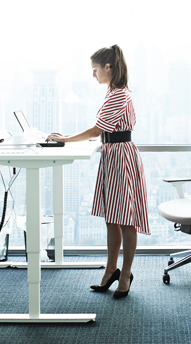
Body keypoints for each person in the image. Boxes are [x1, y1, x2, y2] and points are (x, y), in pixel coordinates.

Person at [47, 44, 150, 299]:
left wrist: (66, 139)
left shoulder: (118, 95)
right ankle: (110, 270)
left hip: (120, 157)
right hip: (113, 155)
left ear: (108, 67)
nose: (93, 75)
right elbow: (103, 131)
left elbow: (96, 130)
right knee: (112, 217)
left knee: (125, 219)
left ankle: (125, 275)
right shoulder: (113, 92)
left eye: (95, 70)